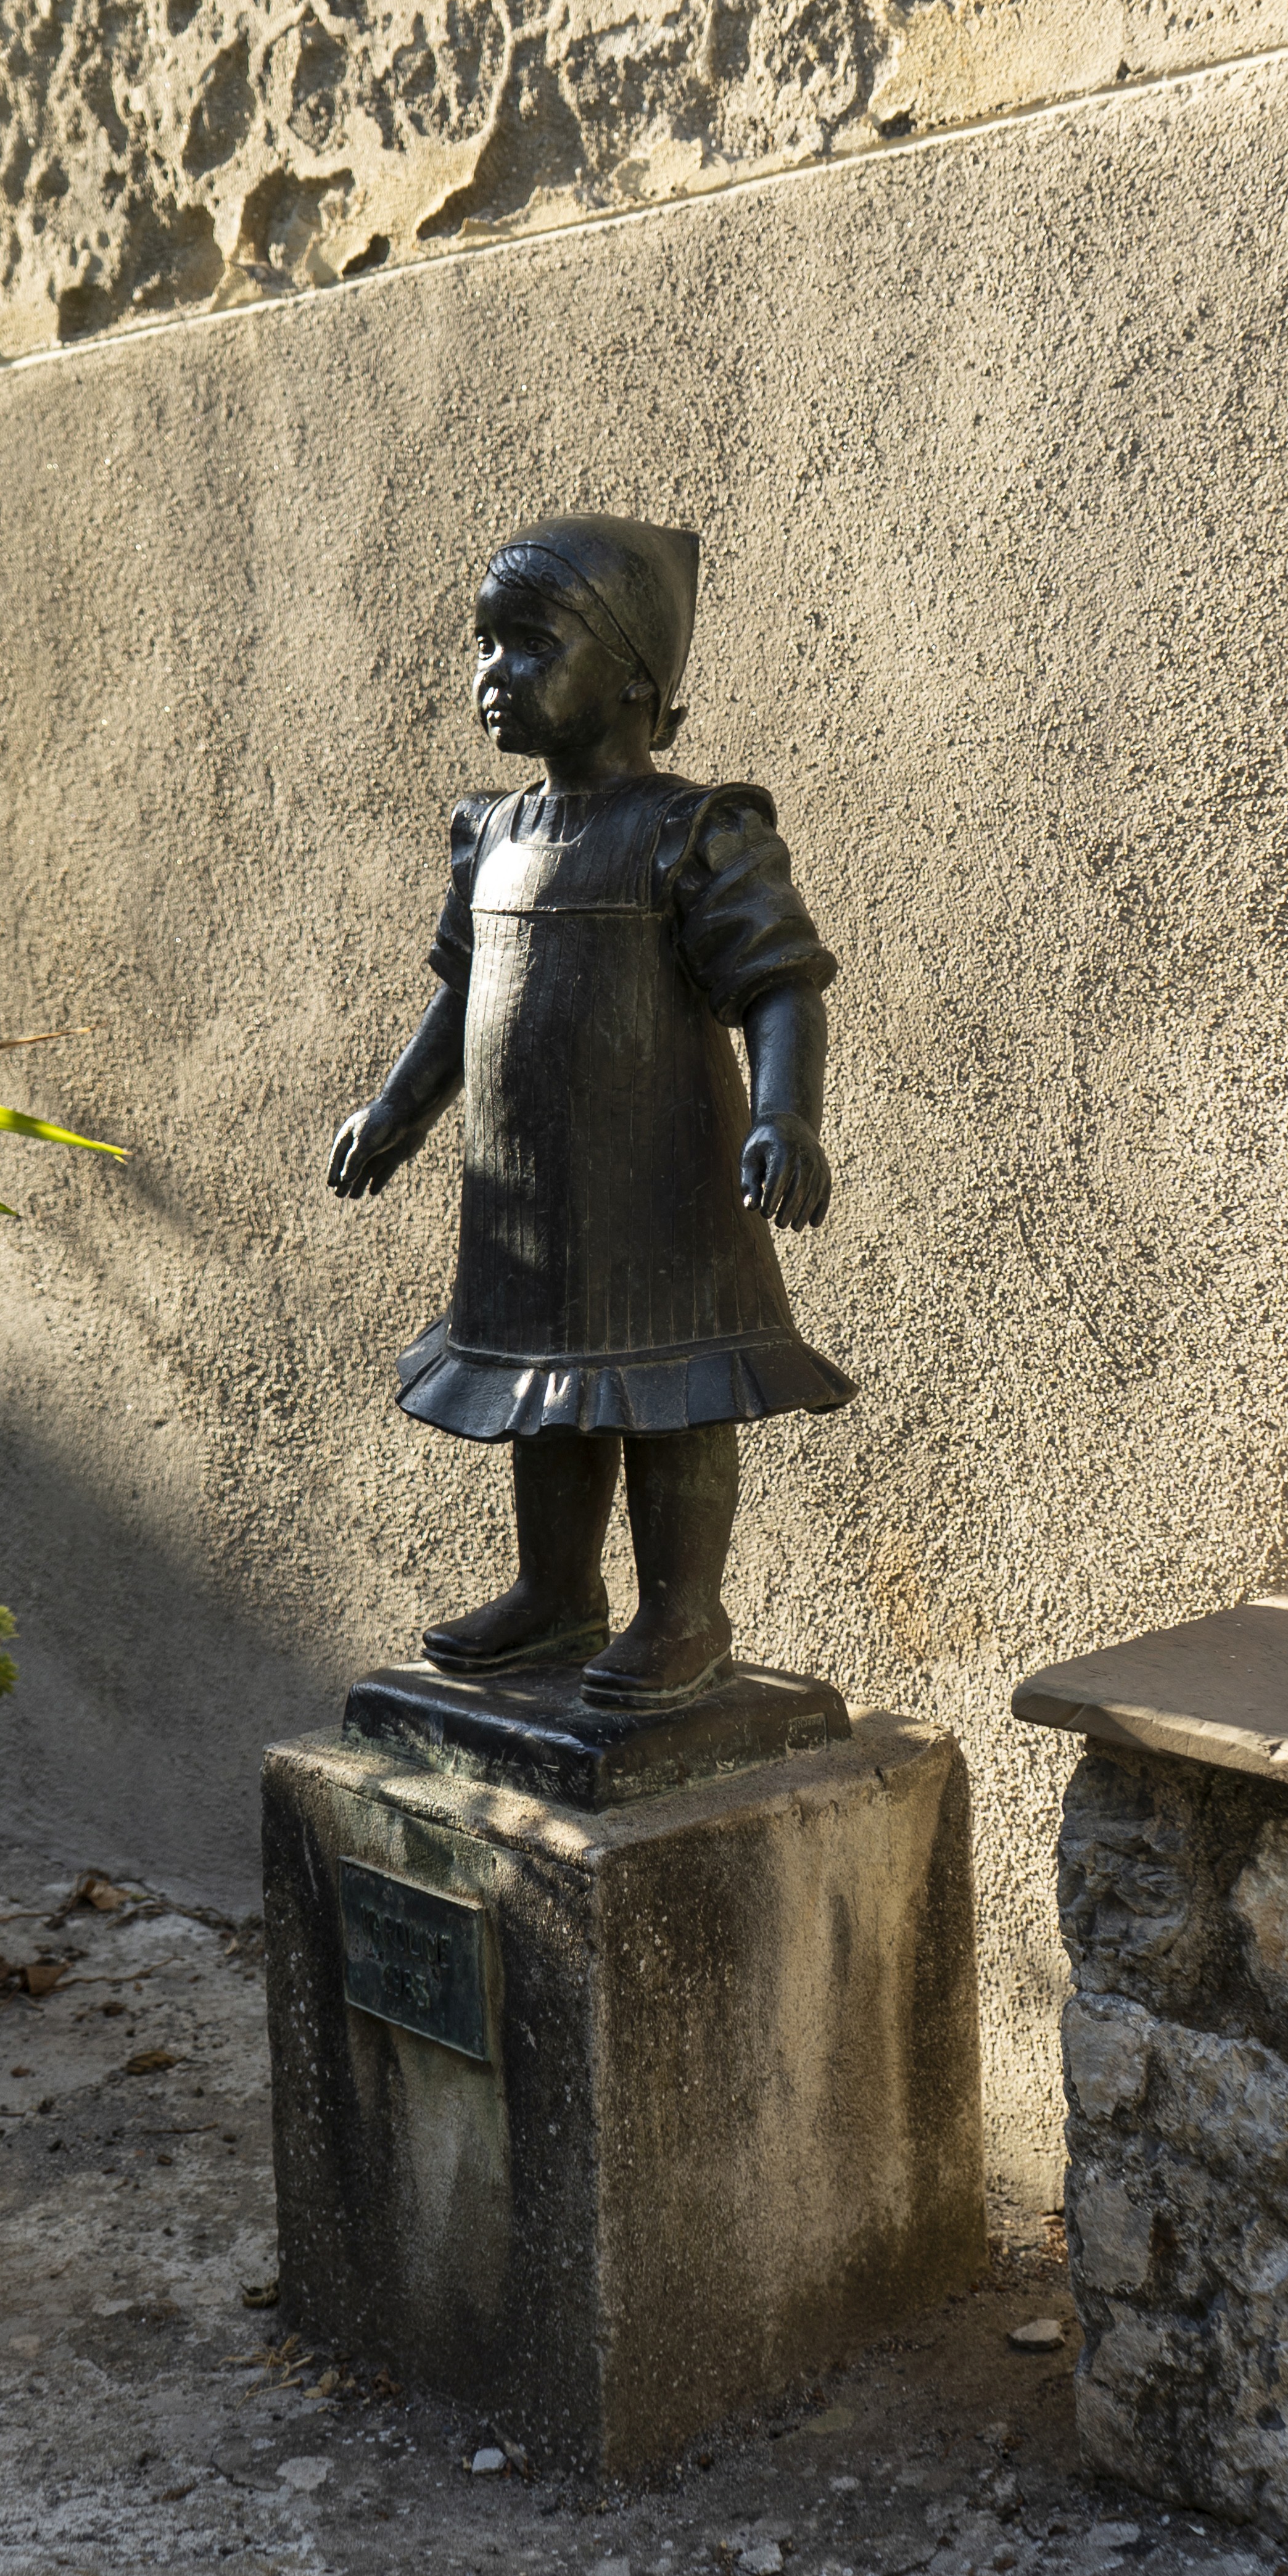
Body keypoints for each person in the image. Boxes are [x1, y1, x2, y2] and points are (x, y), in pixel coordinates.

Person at [329, 514, 851, 1707]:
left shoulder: (691, 833)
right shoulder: (493, 836)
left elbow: (778, 983)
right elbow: (463, 1001)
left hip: (662, 1177)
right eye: (483, 645)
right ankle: (557, 1595)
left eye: (527, 643)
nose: (491, 676)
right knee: (544, 1387)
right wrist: (398, 1112)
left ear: (631, 676)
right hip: (527, 1189)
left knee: (671, 1390)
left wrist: (786, 1116)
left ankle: (685, 1611)